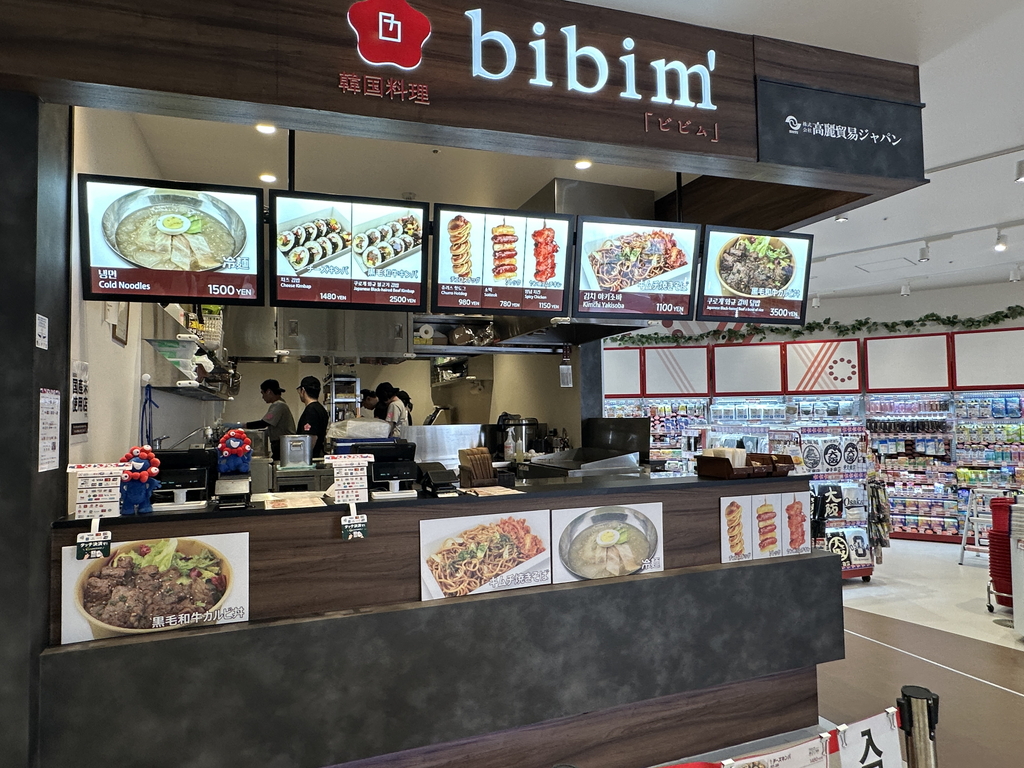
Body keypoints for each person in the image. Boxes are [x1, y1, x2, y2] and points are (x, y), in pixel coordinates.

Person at [245, 379, 295, 460]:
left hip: (282, 445)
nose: (262, 397)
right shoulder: (280, 404)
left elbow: (263, 423)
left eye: (263, 393)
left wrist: (241, 425)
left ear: (268, 392)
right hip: (282, 445)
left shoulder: (278, 405)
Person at [295, 376, 329, 458]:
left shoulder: (311, 410)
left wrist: (303, 458)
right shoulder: (321, 409)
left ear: (303, 390)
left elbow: (311, 437)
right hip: (318, 455)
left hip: (311, 458)